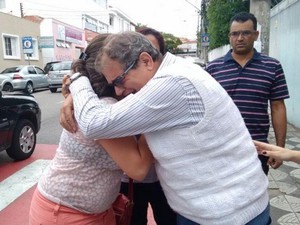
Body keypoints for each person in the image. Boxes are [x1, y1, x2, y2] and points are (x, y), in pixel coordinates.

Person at [60, 31, 271, 225]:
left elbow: (94, 123)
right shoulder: (177, 69)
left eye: (119, 80)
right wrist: (75, 96)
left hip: (227, 215)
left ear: (146, 60)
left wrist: (77, 80)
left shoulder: (172, 84)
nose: (119, 90)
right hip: (218, 208)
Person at [29, 34, 153, 225]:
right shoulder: (104, 109)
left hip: (89, 210)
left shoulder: (87, 100)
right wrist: (155, 120)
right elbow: (138, 169)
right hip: (65, 213)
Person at [205, 12, 290, 175]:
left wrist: (279, 149)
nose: (240, 38)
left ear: (255, 35)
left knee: (256, 197)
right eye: (235, 33)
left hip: (257, 148)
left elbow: (278, 107)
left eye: (246, 33)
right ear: (229, 36)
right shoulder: (213, 69)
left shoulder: (272, 66)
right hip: (221, 149)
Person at [119, 27, 176, 225]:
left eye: (150, 51)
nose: (144, 60)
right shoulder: (119, 88)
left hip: (165, 179)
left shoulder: (172, 89)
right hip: (129, 181)